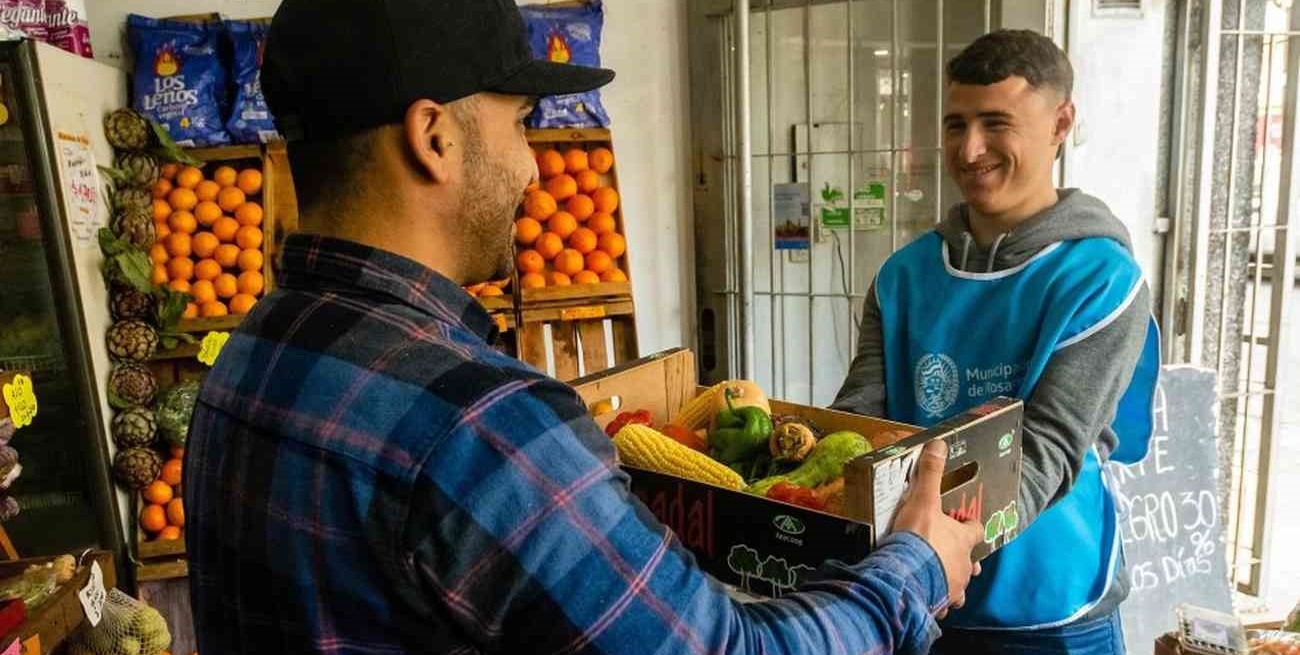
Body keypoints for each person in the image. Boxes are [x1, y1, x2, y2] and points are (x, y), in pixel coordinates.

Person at [183, 1, 984, 653]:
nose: (532, 165)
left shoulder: (246, 356)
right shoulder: (481, 421)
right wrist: (910, 569)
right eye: (522, 122)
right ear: (435, 139)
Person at [832, 29, 1160, 655]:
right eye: (956, 125)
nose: (971, 148)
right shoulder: (903, 275)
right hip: (914, 596)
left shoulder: (1101, 279)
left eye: (995, 122)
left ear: (1060, 122)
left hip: (1050, 606)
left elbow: (1045, 452)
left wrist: (927, 556)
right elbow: (862, 421)